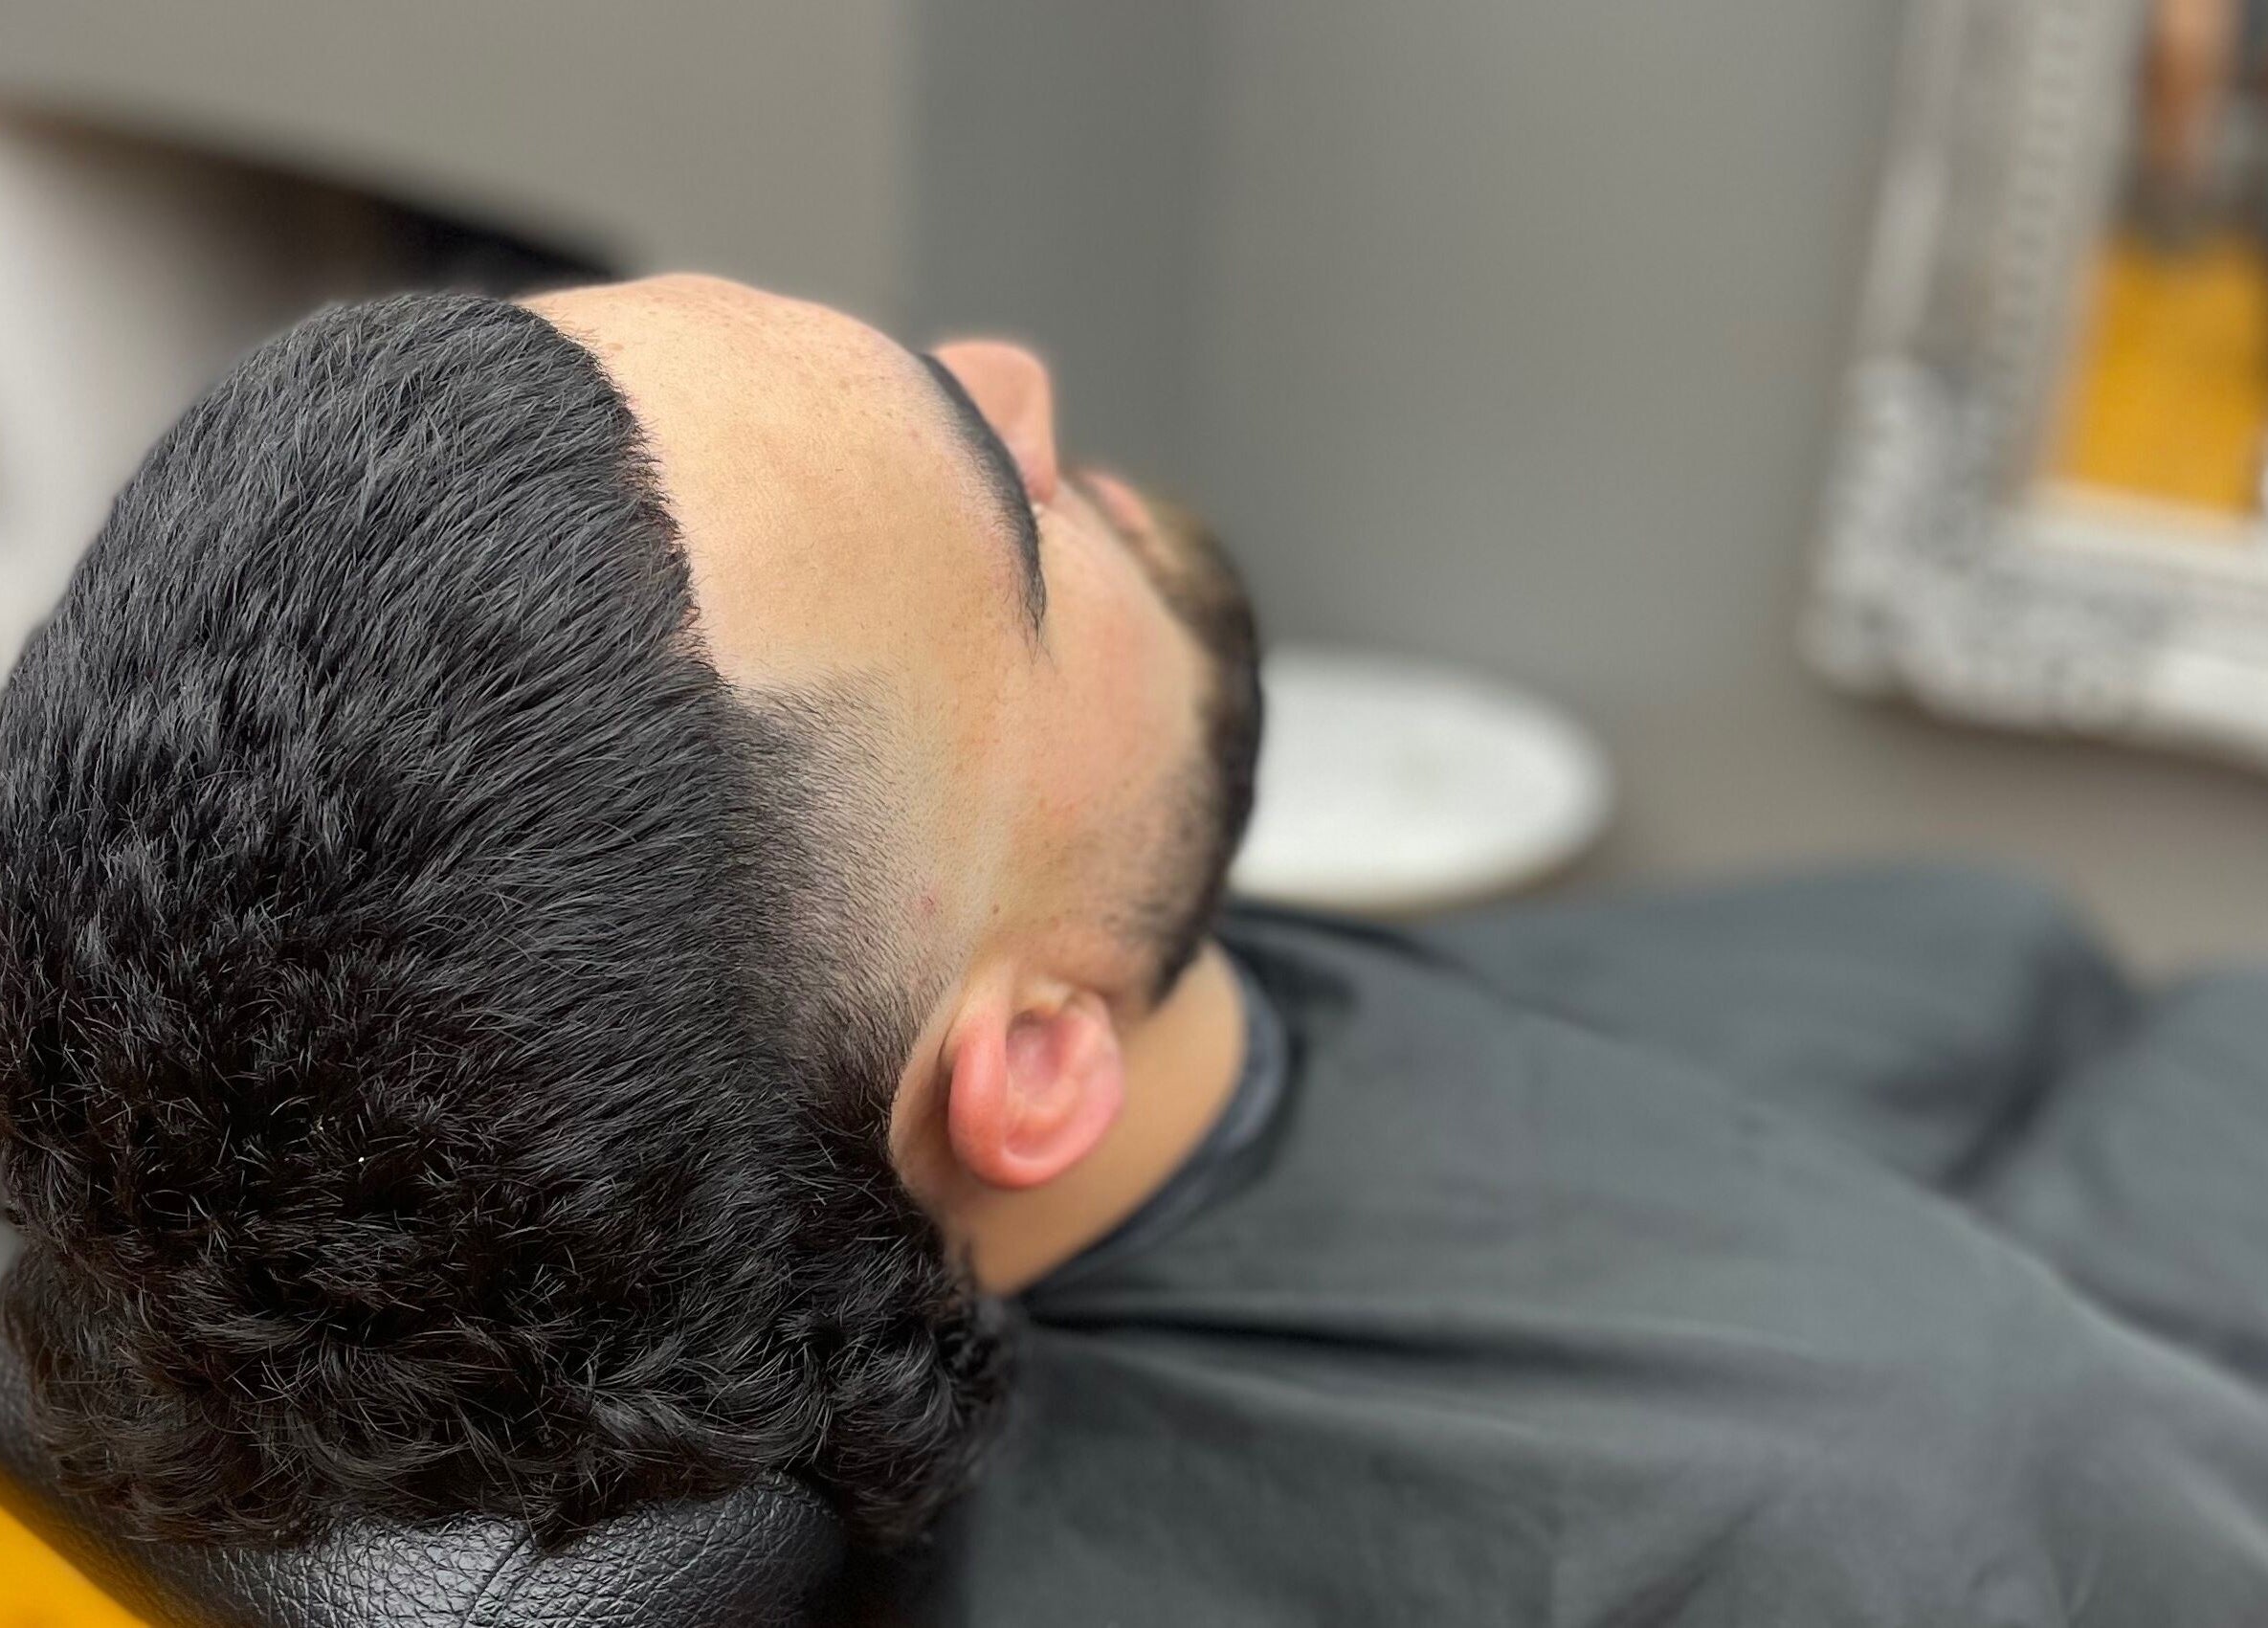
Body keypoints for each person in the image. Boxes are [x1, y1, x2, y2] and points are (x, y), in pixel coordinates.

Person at [5, 275, 2268, 1624]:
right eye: (1012, 523)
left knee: (1983, 943)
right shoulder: (1913, 1477)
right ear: (1030, 1062)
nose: (1013, 365)